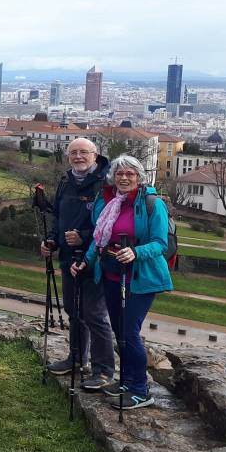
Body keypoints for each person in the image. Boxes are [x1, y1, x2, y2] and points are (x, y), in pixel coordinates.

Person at [71, 154, 173, 410]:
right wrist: (87, 260)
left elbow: (160, 244)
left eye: (130, 174)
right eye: (120, 174)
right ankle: (127, 380)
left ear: (139, 177)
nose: (124, 178)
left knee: (129, 332)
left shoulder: (152, 204)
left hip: (140, 277)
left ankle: (141, 390)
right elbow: (100, 238)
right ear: (113, 178)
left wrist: (136, 252)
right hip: (112, 275)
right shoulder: (112, 202)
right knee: (119, 332)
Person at [41, 138, 116, 391]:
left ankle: (103, 370)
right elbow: (58, 216)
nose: (78, 156)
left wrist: (84, 235)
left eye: (84, 152)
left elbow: (111, 222)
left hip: (95, 258)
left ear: (96, 155)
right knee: (74, 310)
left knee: (94, 314)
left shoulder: (106, 183)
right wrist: (52, 240)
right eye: (73, 152)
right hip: (68, 257)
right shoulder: (65, 182)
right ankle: (76, 358)